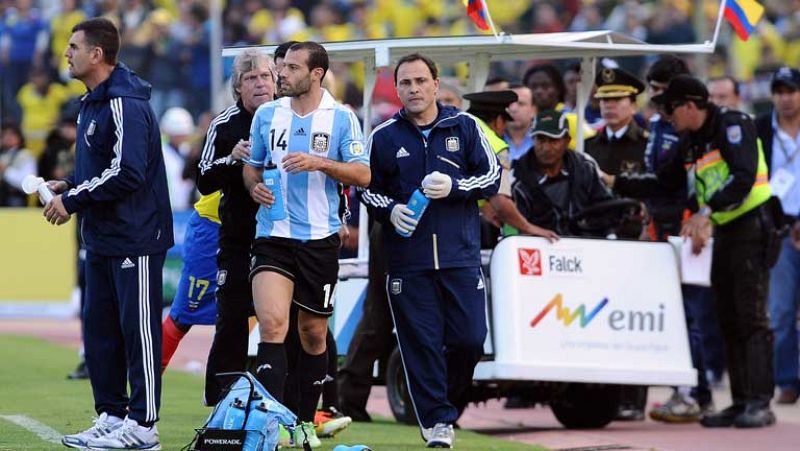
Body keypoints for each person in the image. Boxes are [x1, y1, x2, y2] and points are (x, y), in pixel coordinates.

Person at [609, 75, 778, 428]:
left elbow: (743, 177)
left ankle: (760, 403)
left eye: (670, 109)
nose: (667, 117)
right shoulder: (691, 138)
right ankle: (740, 402)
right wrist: (615, 181)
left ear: (689, 106)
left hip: (751, 226)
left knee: (751, 318)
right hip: (724, 230)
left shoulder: (733, 124)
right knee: (728, 317)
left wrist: (705, 213)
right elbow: (666, 182)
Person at [359, 53, 500, 448]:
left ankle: (446, 406)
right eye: (405, 83)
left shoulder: (466, 126)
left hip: (460, 256)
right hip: (408, 261)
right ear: (397, 89)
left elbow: (492, 176)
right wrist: (391, 210)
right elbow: (366, 189)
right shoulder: (383, 136)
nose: (414, 89)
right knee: (420, 344)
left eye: (421, 81)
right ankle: (438, 421)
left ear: (436, 84)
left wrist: (455, 187)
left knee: (470, 339)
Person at [52, 18, 173, 450]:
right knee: (99, 333)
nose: (67, 53)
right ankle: (111, 415)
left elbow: (127, 172)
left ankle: (143, 425)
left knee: (138, 332)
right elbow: (101, 166)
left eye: (74, 46)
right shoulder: (92, 102)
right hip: (102, 237)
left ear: (97, 54)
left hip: (135, 237)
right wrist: (69, 183)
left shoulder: (125, 103)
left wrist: (73, 199)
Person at [243, 41, 370, 448]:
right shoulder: (267, 115)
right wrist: (254, 187)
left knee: (313, 333)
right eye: (283, 67)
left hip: (319, 240)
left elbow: (363, 174)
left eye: (293, 68)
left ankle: (302, 421)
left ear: (316, 74)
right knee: (273, 326)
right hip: (273, 235)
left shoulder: (341, 118)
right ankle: (271, 425)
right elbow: (252, 167)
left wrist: (320, 163)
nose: (282, 74)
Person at [196, 48, 275, 406]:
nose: (260, 84)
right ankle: (221, 402)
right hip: (239, 237)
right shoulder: (225, 124)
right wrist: (232, 158)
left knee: (292, 319)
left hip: (283, 236)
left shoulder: (290, 116)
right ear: (238, 87)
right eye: (250, 78)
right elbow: (203, 179)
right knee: (231, 319)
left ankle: (294, 401)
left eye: (265, 76)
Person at [756, 66, 800, 405]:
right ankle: (787, 380)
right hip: (778, 227)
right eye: (780, 92)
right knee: (781, 310)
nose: (786, 98)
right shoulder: (759, 129)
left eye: (791, 91)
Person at [463, 90, 559, 241]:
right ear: (499, 121)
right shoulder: (495, 145)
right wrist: (529, 228)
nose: (504, 130)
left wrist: (483, 205)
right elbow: (500, 201)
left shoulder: (455, 132)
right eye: (505, 124)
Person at [511, 109, 613, 235]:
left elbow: (605, 208)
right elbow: (512, 227)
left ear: (567, 141)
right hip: (534, 244)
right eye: (541, 140)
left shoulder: (585, 169)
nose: (546, 148)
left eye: (553, 140)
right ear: (533, 140)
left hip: (584, 242)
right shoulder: (517, 179)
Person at [586, 67, 648, 176]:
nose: (609, 106)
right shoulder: (588, 146)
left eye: (617, 99)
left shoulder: (646, 145)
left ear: (633, 106)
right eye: (605, 100)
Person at [503, 83, 535, 162]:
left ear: (533, 110)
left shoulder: (542, 140)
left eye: (521, 103)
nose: (513, 109)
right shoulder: (488, 139)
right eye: (508, 104)